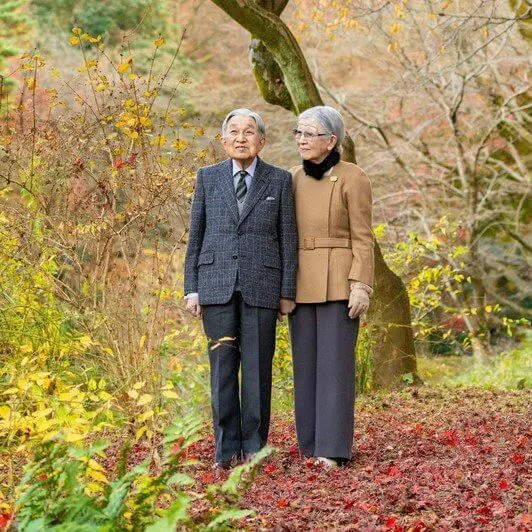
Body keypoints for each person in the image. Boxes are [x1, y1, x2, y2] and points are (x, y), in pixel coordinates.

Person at [184, 108, 297, 469]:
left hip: (262, 285)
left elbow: (288, 239)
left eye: (249, 132)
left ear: (261, 141)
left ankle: (253, 448)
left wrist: (287, 291)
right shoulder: (208, 178)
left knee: (258, 369)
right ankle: (225, 450)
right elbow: (196, 236)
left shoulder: (279, 180)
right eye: (234, 131)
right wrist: (191, 288)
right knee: (221, 369)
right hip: (215, 284)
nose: (241, 137)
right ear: (223, 139)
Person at [289, 105, 374, 468]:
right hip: (300, 281)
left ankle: (333, 448)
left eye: (310, 133)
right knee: (305, 367)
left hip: (340, 281)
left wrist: (361, 285)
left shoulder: (353, 177)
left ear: (331, 140)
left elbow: (363, 237)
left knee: (335, 369)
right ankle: (309, 446)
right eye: (299, 133)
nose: (302, 140)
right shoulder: (291, 177)